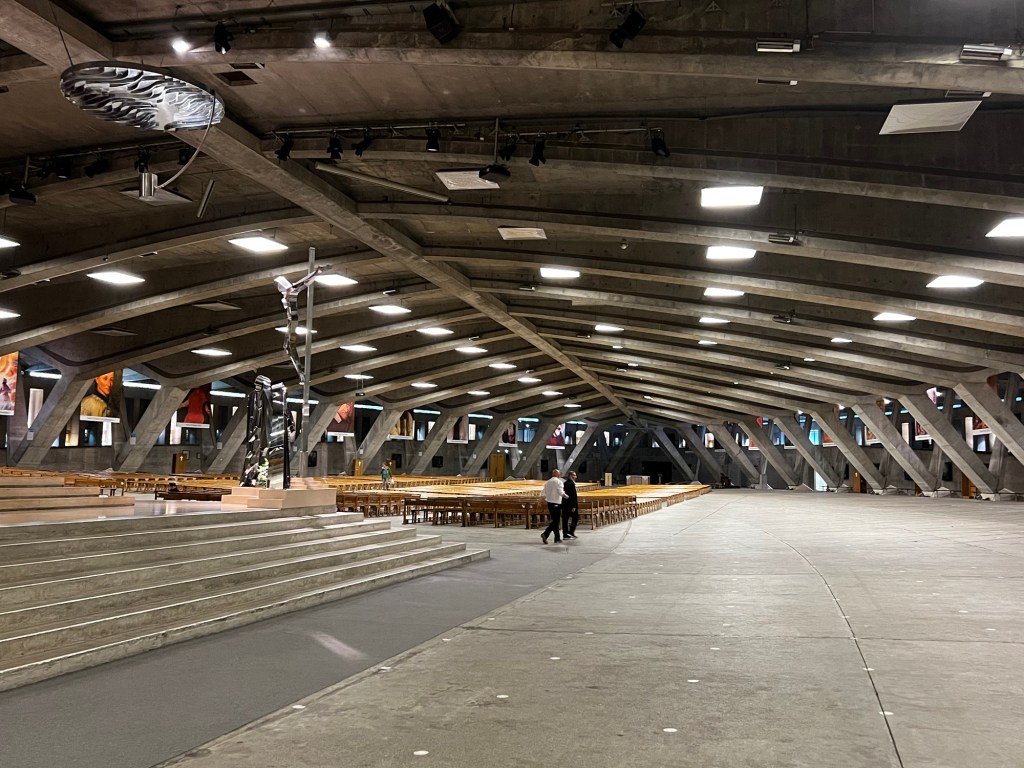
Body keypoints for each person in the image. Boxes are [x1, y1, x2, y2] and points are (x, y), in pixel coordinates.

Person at [540, 469, 567, 544]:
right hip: (556, 503)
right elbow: (560, 492)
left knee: (555, 521)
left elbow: (543, 493)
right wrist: (567, 497)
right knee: (555, 521)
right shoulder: (559, 482)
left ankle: (557, 538)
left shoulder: (547, 482)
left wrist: (543, 500)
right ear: (558, 475)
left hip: (549, 503)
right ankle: (545, 534)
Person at [562, 470, 579, 539]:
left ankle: (566, 533)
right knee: (575, 518)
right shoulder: (571, 484)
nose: (575, 477)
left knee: (565, 520)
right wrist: (574, 506)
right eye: (574, 475)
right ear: (570, 476)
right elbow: (573, 496)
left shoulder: (565, 483)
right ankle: (570, 532)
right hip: (571, 505)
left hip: (565, 504)